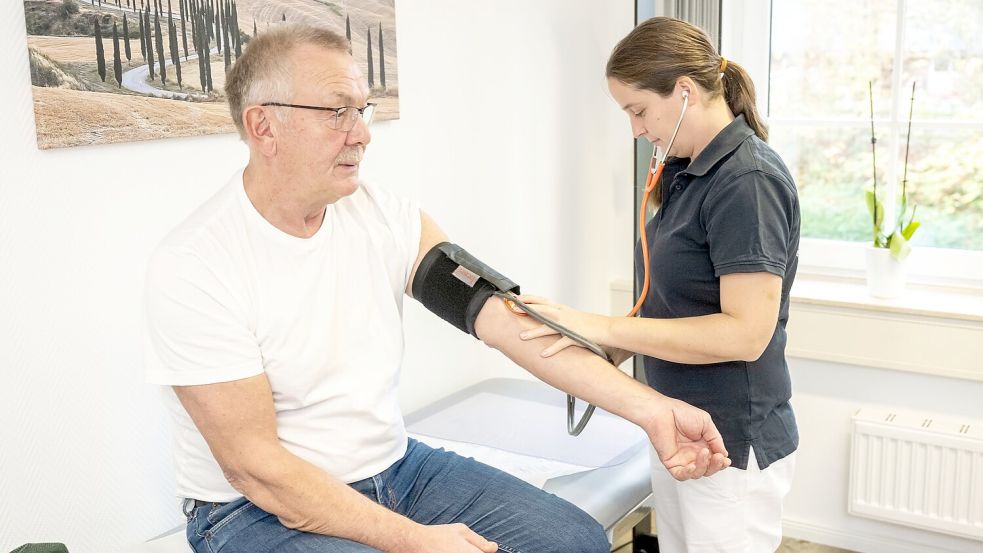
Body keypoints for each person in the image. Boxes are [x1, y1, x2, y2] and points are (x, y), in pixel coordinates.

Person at [144, 24, 730, 553]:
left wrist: (653, 411)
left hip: (394, 470)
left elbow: (511, 324)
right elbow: (257, 468)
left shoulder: (384, 217)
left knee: (573, 539)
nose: (362, 135)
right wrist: (413, 541)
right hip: (252, 512)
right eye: (336, 112)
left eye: (362, 110)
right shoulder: (196, 265)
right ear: (263, 126)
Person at [516, 16, 801, 553]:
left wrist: (596, 323)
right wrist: (596, 347)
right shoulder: (686, 170)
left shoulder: (748, 182)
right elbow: (670, 307)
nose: (634, 128)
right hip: (678, 421)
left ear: (686, 91)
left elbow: (745, 335)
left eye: (639, 110)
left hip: (729, 440)